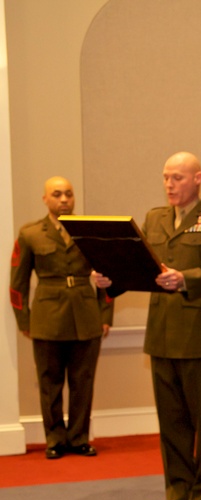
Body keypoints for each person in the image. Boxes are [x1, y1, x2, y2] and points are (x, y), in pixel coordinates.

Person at [97, 152, 201, 500]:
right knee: (172, 422)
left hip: (200, 333)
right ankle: (178, 493)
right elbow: (140, 265)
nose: (169, 184)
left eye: (178, 177)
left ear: (198, 179)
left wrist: (186, 278)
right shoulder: (155, 218)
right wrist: (109, 279)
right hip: (161, 332)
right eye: (165, 177)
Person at [9, 176, 113, 459]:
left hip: (85, 315)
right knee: (49, 381)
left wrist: (105, 315)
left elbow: (107, 276)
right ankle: (54, 438)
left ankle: (78, 437)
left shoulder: (89, 231)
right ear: (45, 199)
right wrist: (24, 321)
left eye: (68, 194)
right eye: (57, 194)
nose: (64, 199)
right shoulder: (30, 233)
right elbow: (16, 284)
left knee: (83, 381)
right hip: (47, 316)